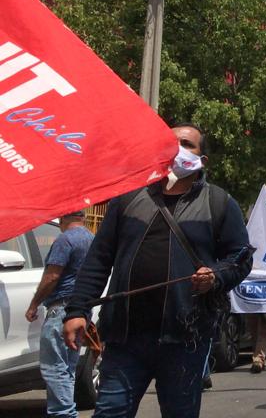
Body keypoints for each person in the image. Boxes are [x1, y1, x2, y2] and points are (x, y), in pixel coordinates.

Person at [63, 123, 252, 418]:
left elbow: (240, 258)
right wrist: (78, 309)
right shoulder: (127, 198)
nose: (177, 148)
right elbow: (98, 259)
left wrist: (215, 276)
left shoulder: (219, 203)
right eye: (170, 141)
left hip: (185, 340)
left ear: (203, 160)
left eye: (187, 144)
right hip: (125, 338)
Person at [24, 211, 94, 418]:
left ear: (63, 219)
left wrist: (34, 304)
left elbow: (52, 276)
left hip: (61, 309)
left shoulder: (65, 240)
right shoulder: (92, 238)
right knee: (67, 368)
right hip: (81, 309)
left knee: (54, 368)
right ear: (83, 218)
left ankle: (63, 414)